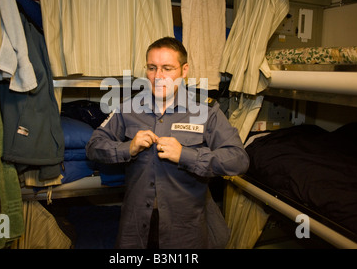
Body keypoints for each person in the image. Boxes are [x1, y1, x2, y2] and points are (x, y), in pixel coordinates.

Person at [85, 37, 249, 249]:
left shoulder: (206, 111)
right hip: (136, 228)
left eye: (167, 68)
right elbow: (93, 146)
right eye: (152, 68)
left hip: (184, 231)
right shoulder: (129, 108)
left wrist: (186, 155)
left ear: (184, 70)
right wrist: (128, 148)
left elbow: (238, 159)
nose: (158, 77)